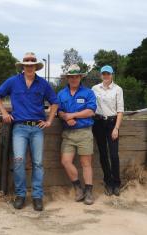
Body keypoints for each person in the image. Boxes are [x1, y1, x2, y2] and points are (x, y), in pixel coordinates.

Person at [0, 52, 58, 211]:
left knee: (38, 163)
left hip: (37, 128)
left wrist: (49, 121)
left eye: (32, 63)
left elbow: (55, 102)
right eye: (27, 63)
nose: (29, 65)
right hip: (19, 127)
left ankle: (37, 196)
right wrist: (4, 113)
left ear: (36, 66)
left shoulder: (43, 84)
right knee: (19, 160)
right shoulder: (13, 81)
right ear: (23, 66)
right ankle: (20, 195)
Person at [57, 64, 97, 205]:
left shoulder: (88, 93)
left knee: (86, 163)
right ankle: (78, 188)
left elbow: (91, 111)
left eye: (76, 76)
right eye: (71, 77)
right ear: (68, 78)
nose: (74, 79)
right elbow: (59, 111)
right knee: (65, 161)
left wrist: (72, 115)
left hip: (84, 132)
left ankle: (89, 192)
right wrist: (65, 117)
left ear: (80, 77)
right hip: (68, 134)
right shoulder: (61, 94)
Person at [92, 65, 124, 196]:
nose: (106, 76)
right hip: (98, 123)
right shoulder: (94, 89)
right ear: (101, 75)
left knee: (114, 155)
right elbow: (90, 105)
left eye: (108, 74)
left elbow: (120, 110)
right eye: (104, 74)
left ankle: (117, 183)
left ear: (112, 75)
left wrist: (116, 128)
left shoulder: (117, 89)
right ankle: (108, 182)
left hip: (112, 123)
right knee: (103, 154)